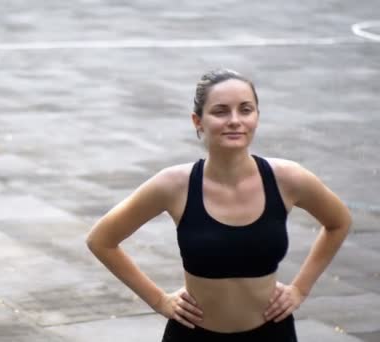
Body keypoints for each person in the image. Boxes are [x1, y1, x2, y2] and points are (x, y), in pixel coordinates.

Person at [85, 69, 352, 342]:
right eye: (221, 111)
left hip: (273, 334)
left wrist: (300, 289)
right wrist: (159, 301)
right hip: (193, 335)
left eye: (245, 110)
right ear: (198, 121)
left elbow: (339, 222)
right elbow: (101, 240)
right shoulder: (174, 184)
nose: (235, 120)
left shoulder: (287, 178)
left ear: (257, 116)